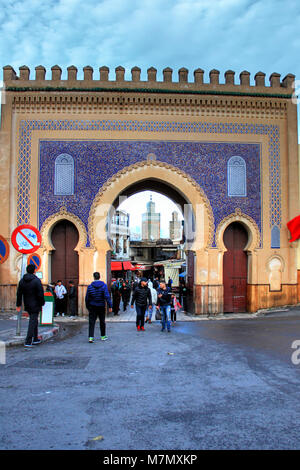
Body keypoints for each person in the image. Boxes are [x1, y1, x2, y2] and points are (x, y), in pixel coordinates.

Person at [16, 264, 45, 348]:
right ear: (34, 270)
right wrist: (42, 303)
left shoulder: (22, 281)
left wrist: (18, 304)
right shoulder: (36, 281)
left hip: (27, 304)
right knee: (32, 321)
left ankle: (35, 339)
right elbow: (40, 294)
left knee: (34, 320)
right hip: (35, 304)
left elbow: (19, 293)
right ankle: (28, 341)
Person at [85, 272, 112, 343]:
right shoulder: (104, 286)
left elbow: (87, 298)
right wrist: (110, 305)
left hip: (92, 306)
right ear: (99, 277)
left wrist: (88, 306)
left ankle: (91, 337)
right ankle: (103, 336)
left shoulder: (90, 286)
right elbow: (107, 296)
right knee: (102, 321)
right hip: (101, 306)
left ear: (93, 277)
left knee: (91, 322)